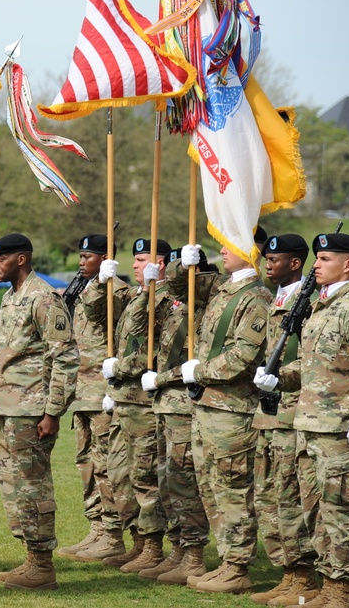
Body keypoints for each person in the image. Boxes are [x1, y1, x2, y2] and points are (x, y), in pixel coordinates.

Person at [258, 232, 349, 607]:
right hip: (309, 426)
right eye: (316, 257)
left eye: (326, 258)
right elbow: (314, 365)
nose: (316, 264)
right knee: (314, 512)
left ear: (348, 264)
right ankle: (323, 584)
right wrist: (279, 377)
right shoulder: (320, 307)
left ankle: (342, 590)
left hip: (338, 432)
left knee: (340, 513)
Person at [0, 233, 80, 591]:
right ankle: (31, 558)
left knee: (32, 484)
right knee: (14, 485)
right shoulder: (11, 297)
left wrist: (53, 411)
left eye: (2, 259)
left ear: (21, 259)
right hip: (8, 406)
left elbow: (65, 356)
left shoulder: (43, 297)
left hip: (31, 409)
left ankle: (42, 565)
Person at [180, 235, 272, 594]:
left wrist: (198, 372)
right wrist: (183, 263)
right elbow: (179, 285)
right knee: (210, 488)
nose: (221, 250)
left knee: (232, 490)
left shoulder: (257, 299)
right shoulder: (224, 289)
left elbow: (241, 356)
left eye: (229, 244)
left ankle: (237, 567)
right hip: (208, 407)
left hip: (233, 410)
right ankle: (226, 560)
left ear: (251, 252)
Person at [137, 247, 220, 585]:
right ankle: (179, 550)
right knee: (168, 481)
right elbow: (136, 324)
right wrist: (147, 288)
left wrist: (162, 378)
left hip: (184, 402)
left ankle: (195, 555)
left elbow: (191, 360)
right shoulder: (174, 303)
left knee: (184, 481)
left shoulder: (203, 300)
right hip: (165, 403)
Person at [95, 238, 173, 574]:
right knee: (119, 474)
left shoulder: (168, 300)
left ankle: (152, 547)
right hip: (124, 399)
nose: (137, 266)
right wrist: (102, 283)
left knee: (144, 476)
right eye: (136, 260)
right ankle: (138, 542)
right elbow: (92, 311)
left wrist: (121, 369)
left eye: (143, 260)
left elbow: (154, 351)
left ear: (163, 264)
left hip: (143, 402)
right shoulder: (137, 297)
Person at [248, 234, 318, 605]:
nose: (267, 263)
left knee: (291, 499)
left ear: (296, 263)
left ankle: (305, 575)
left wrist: (282, 377)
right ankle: (289, 572)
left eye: (275, 258)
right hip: (268, 416)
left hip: (292, 416)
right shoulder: (276, 300)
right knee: (270, 498)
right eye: (266, 257)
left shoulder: (310, 304)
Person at [58, 234, 127, 562]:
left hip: (101, 391)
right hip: (80, 391)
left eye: (89, 256)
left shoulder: (118, 290)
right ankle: (97, 528)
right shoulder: (81, 287)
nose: (82, 261)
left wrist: (104, 281)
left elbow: (100, 312)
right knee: (85, 462)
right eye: (81, 255)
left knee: (104, 463)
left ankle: (113, 534)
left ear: (105, 258)